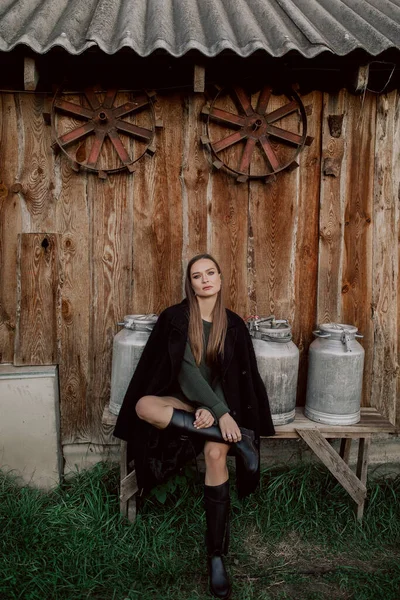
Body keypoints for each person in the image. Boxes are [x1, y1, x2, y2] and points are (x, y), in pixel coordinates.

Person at [114, 253, 275, 600]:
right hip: (182, 401)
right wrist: (214, 411)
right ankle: (240, 441)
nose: (205, 280)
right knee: (145, 405)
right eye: (197, 275)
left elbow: (228, 377)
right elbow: (184, 370)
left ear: (220, 278)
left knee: (216, 453)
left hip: (216, 409)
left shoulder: (232, 324)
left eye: (210, 273)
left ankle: (216, 556)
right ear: (190, 283)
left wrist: (215, 410)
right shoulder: (175, 319)